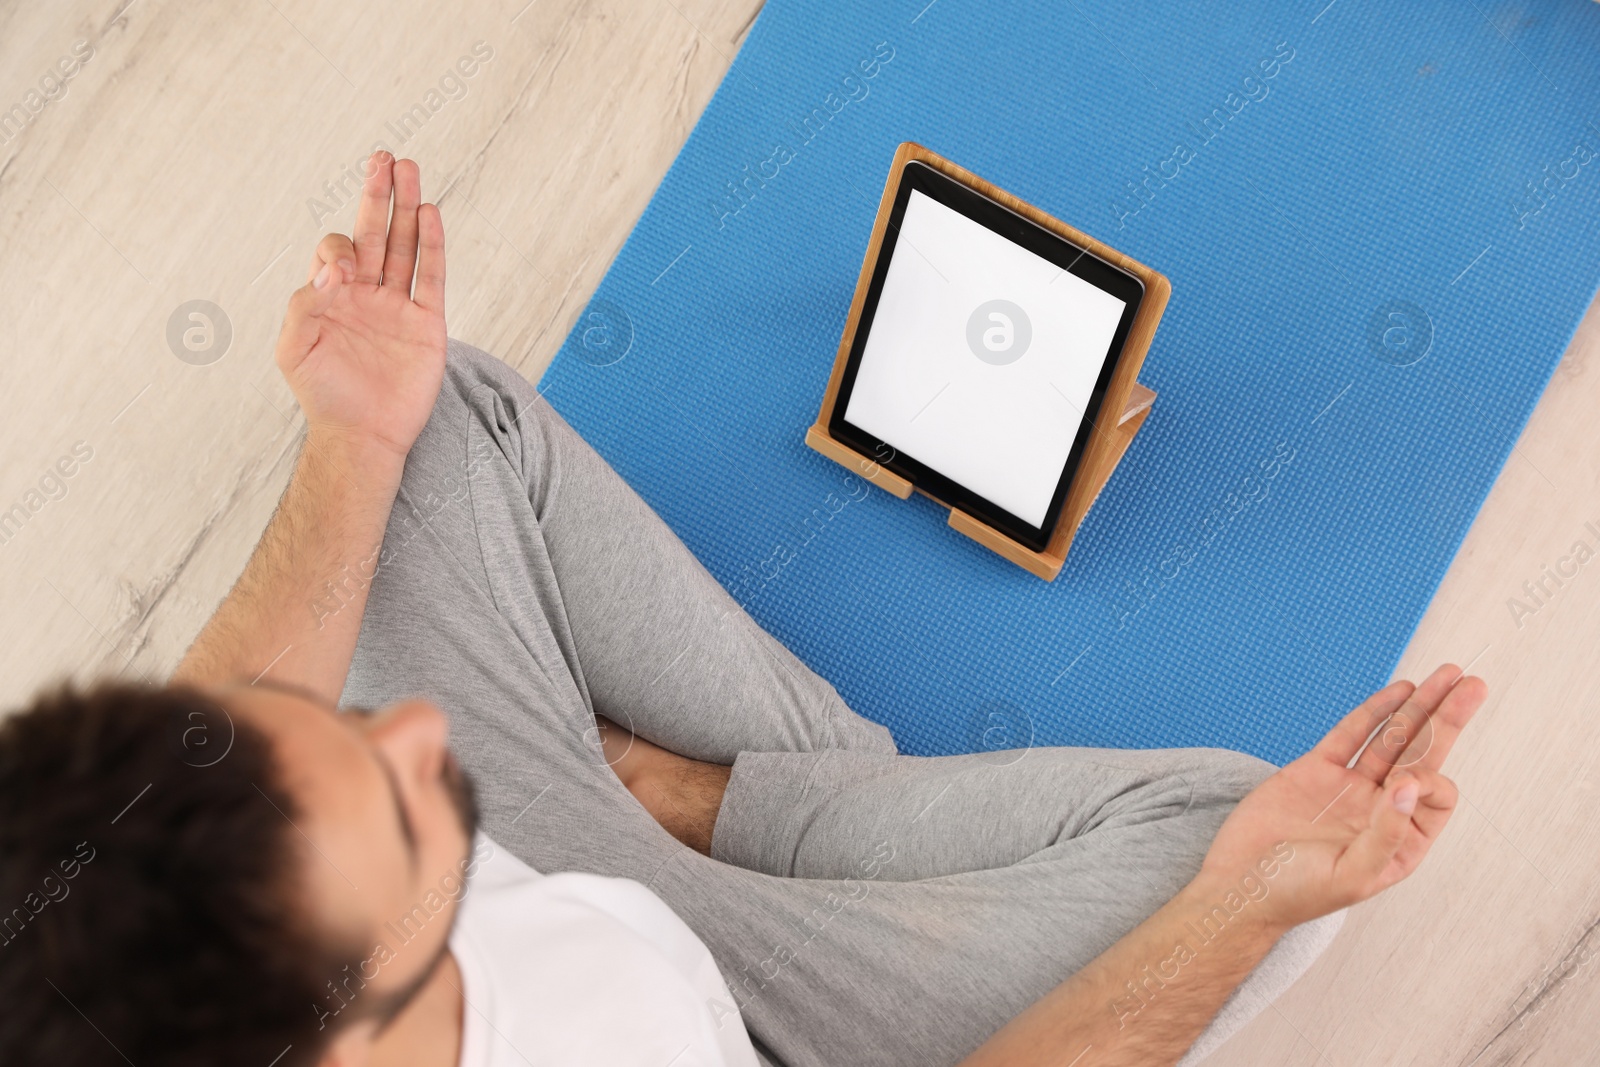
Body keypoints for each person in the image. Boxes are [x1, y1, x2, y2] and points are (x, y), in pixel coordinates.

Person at [0, 152, 1485, 1067]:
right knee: (1241, 845)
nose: (413, 736)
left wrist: (353, 430)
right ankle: (750, 812)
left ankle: (690, 802)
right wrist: (1242, 906)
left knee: (437, 417)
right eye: (392, 805)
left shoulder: (63, 949)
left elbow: (195, 752)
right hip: (767, 1032)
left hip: (550, 870)